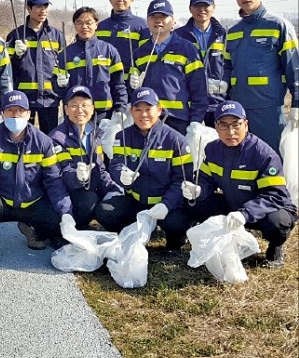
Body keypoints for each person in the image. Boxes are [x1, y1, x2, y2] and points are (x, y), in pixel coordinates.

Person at [180, 100, 297, 268]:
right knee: (193, 203)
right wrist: (198, 189)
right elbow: (206, 179)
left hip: (263, 210)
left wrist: (245, 213)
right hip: (233, 204)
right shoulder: (212, 150)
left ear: (246, 125)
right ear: (216, 127)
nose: (231, 132)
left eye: (236, 125)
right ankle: (216, 240)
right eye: (224, 125)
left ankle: (275, 249)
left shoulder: (263, 154)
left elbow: (274, 195)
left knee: (278, 222)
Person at [0, 91, 73, 264]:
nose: (16, 115)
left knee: (56, 216)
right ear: (2, 113)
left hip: (32, 202)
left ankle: (33, 231)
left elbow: (53, 180)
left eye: (20, 110)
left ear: (28, 113)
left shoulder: (43, 141)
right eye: (10, 110)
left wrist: (66, 212)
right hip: (3, 203)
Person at [95, 87, 194, 252]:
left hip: (165, 204)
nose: (144, 115)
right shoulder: (122, 137)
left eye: (149, 109)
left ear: (159, 110)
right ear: (131, 112)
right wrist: (121, 175)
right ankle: (127, 236)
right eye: (138, 109)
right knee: (104, 211)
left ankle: (174, 243)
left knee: (179, 221)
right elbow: (116, 164)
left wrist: (166, 205)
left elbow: (182, 179)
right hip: (136, 201)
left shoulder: (176, 140)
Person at [222, 0, 299, 153]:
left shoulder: (278, 26)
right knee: (242, 163)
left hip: (268, 111)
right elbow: (227, 66)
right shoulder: (232, 33)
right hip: (238, 111)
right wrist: (223, 85)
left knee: (270, 160)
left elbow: (294, 68)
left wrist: (297, 104)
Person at [129, 0, 208, 135]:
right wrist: (132, 85)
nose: (158, 21)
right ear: (147, 22)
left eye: (163, 17)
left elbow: (199, 88)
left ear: (173, 21)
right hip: (149, 120)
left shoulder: (187, 49)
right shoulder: (140, 53)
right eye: (153, 17)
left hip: (179, 120)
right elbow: (132, 91)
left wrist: (196, 119)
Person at [48, 85, 123, 230]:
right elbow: (60, 175)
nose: (80, 110)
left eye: (85, 105)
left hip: (89, 188)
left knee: (114, 206)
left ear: (93, 108)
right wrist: (77, 177)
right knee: (89, 202)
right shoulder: (57, 137)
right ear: (66, 110)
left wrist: (114, 189)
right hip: (68, 194)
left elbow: (100, 170)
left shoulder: (94, 134)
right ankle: (66, 229)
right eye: (74, 105)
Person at [6, 0, 65, 134]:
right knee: (24, 138)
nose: (43, 10)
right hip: (24, 100)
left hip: (50, 100)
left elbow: (63, 66)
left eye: (45, 6)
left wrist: (62, 84)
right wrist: (16, 56)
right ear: (29, 8)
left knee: (50, 139)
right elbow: (8, 70)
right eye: (38, 6)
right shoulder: (16, 35)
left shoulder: (56, 35)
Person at [55, 6, 127, 124]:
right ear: (75, 25)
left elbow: (118, 84)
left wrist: (120, 109)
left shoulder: (109, 50)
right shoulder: (65, 54)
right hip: (77, 115)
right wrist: (60, 85)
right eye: (79, 23)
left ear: (96, 24)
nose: (84, 27)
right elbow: (57, 90)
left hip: (104, 114)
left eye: (89, 22)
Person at [174, 0, 227, 127]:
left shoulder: (224, 36)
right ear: (190, 9)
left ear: (214, 8)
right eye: (197, 6)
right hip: (189, 105)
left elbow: (230, 66)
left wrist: (225, 83)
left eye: (206, 6)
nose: (202, 10)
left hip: (218, 105)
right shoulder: (178, 36)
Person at [96, 0, 149, 81]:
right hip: (103, 84)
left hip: (130, 84)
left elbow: (145, 57)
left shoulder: (142, 26)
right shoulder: (100, 26)